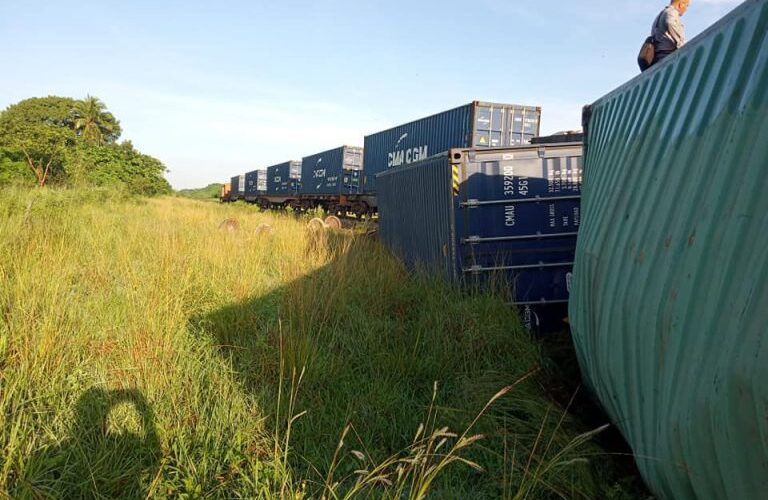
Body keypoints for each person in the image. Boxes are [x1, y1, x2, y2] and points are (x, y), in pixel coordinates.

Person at [652, 0, 690, 65]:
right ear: (681, 4)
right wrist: (681, 45)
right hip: (668, 56)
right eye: (687, 6)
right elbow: (670, 22)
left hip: (658, 58)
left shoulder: (660, 15)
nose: (686, 9)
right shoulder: (672, 12)